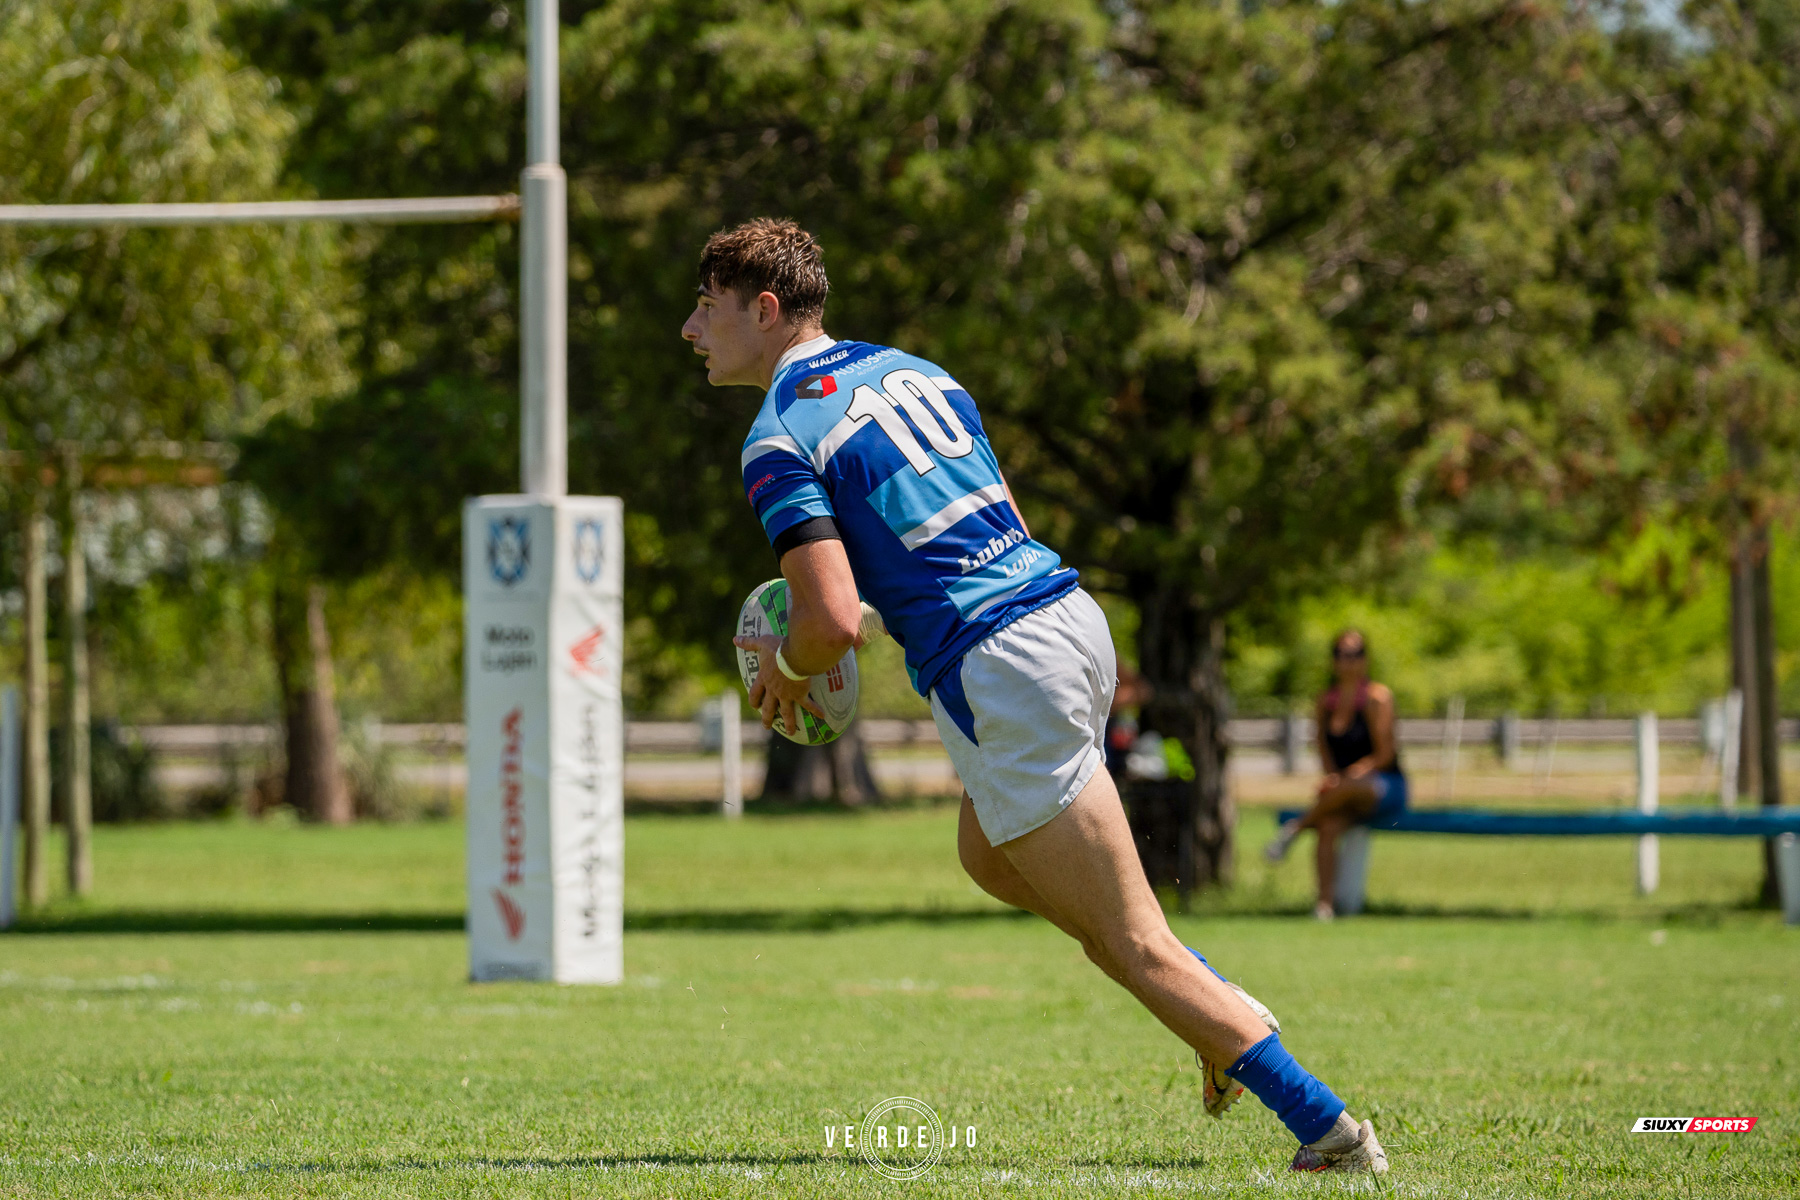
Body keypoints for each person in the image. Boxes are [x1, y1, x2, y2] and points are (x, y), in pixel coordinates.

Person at [682, 218, 1387, 1174]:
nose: (691, 328)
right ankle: (1213, 1008)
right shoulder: (914, 372)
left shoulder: (776, 436)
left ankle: (1322, 1123)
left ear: (764, 310)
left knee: (1128, 942)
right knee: (989, 855)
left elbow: (831, 622)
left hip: (1000, 668)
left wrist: (788, 675)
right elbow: (988, 514)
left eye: (706, 306)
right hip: (1065, 618)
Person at [1264, 629, 1408, 920]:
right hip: (1342, 791)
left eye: (1356, 654)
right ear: (1333, 661)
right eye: (1342, 654)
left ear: (1366, 659)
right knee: (1328, 827)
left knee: (1345, 788)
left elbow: (1385, 754)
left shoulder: (1376, 698)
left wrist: (1348, 778)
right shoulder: (1324, 702)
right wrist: (1334, 778)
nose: (1349, 661)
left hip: (1383, 787)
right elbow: (1322, 747)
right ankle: (1325, 905)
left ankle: (1295, 829)